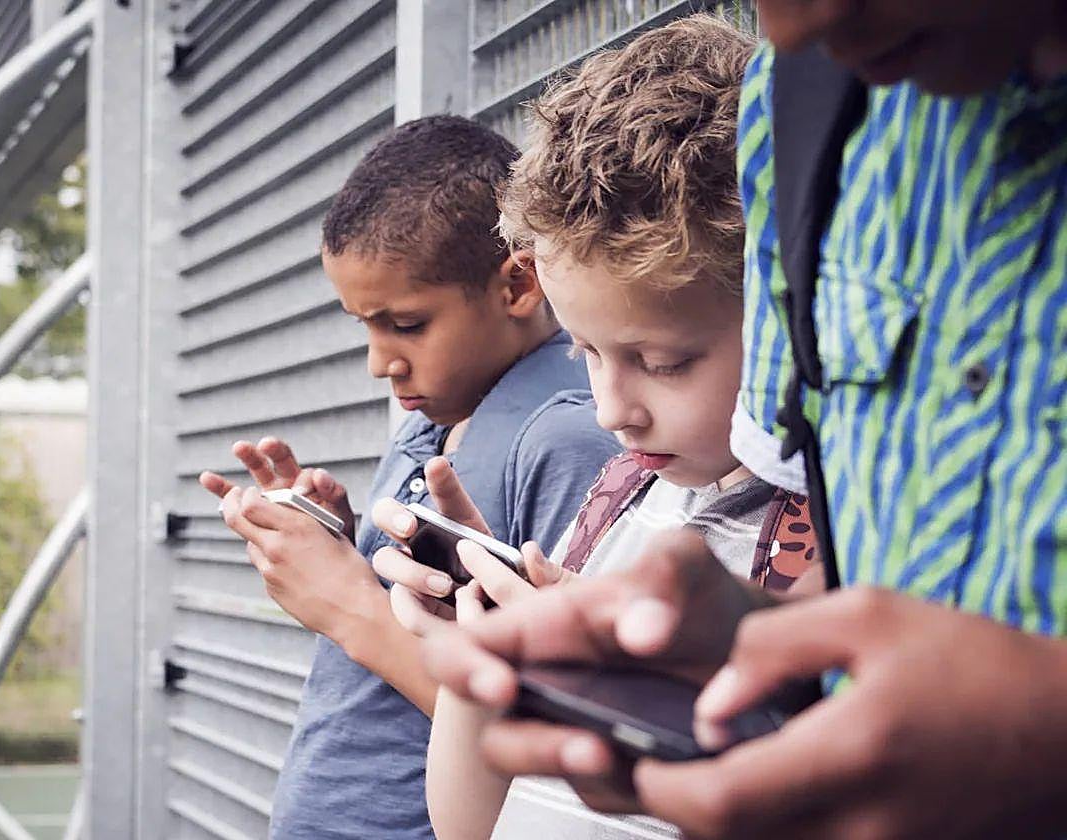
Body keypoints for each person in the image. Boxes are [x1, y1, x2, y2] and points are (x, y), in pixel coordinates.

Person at [418, 3, 1067, 838]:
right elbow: (864, 558)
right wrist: (746, 655)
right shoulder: (802, 112)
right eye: (583, 351)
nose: (793, 26)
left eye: (665, 362)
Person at [369, 17, 817, 839]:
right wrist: (492, 658)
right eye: (585, 351)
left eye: (664, 360)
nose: (613, 409)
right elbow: (469, 824)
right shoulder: (620, 491)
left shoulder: (834, 546)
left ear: (791, 314)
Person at [199, 114, 620, 839]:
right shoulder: (433, 417)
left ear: (517, 284)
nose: (378, 361)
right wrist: (341, 534)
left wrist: (346, 604)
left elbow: (548, 742)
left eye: (407, 324)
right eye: (364, 325)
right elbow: (429, 616)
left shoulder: (566, 436)